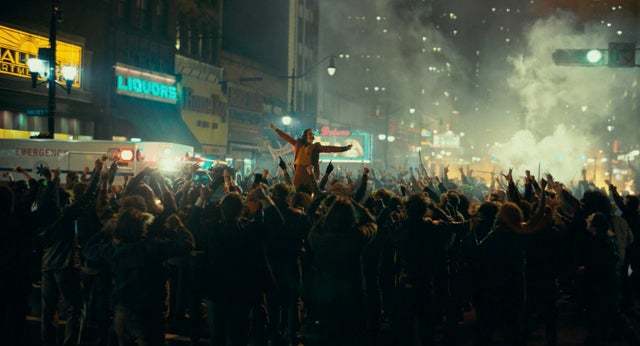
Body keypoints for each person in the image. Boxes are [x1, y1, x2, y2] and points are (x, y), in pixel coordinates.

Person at [270, 124, 352, 191]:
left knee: (311, 192)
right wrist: (276, 129)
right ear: (305, 136)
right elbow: (286, 137)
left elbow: (329, 148)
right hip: (299, 174)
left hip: (310, 174)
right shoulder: (298, 144)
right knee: (296, 192)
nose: (312, 135)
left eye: (312, 134)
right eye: (310, 134)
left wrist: (344, 148)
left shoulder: (316, 147)